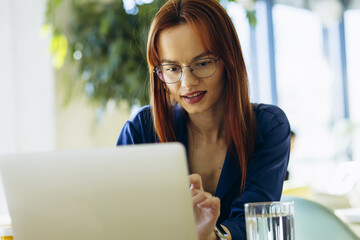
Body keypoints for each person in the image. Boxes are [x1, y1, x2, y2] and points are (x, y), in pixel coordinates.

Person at [117, 0, 291, 239]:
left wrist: (211, 235)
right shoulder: (142, 130)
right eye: (172, 68)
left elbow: (253, 223)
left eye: (202, 63)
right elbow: (121, 220)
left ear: (228, 62)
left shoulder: (268, 126)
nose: (187, 83)